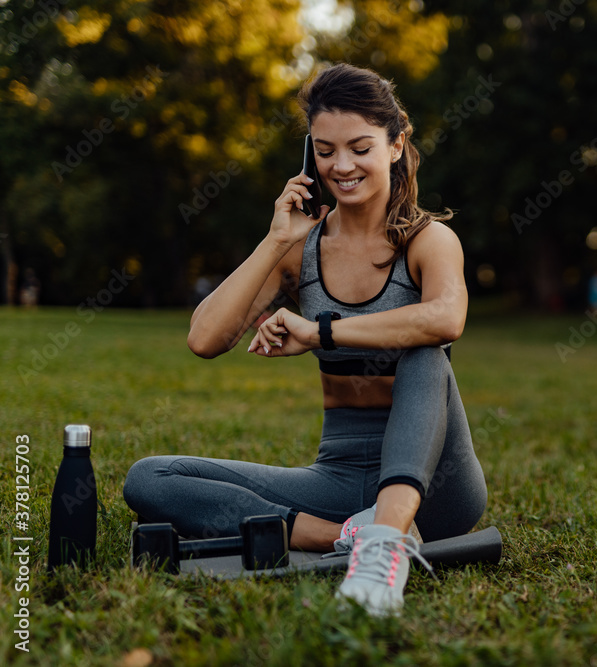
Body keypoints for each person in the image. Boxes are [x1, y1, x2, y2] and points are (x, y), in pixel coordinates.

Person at [122, 63, 488, 617]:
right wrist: (276, 242)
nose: (341, 166)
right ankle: (343, 536)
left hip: (437, 488)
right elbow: (204, 338)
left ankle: (386, 545)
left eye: (360, 147)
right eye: (325, 150)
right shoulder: (303, 250)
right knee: (151, 478)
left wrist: (319, 332)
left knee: (424, 348)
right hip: (339, 480)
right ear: (309, 157)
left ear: (395, 145)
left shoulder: (428, 239)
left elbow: (446, 319)